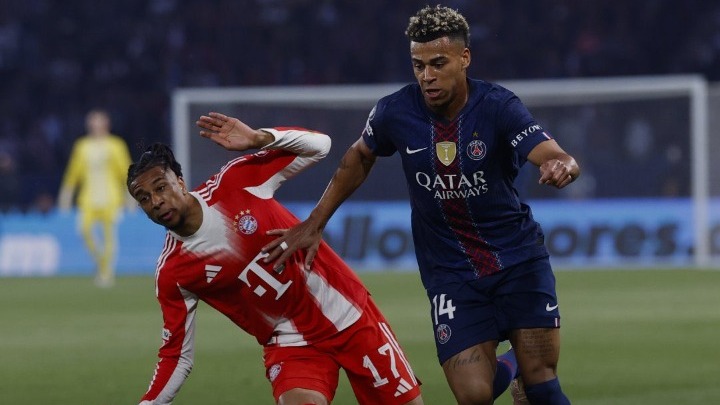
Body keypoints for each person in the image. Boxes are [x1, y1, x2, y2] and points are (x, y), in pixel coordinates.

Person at [262, 5, 579, 405]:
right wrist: (315, 222)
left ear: (464, 58)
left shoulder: (498, 106)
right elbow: (359, 156)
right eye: (418, 65)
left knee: (542, 383)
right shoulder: (395, 111)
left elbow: (551, 152)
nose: (427, 75)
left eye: (438, 63)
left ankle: (526, 374)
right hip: (449, 273)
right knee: (474, 396)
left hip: (517, 258)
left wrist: (561, 164)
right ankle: (513, 366)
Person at [128, 112, 423, 405]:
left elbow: (321, 146)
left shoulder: (234, 183)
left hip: (349, 314)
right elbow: (176, 356)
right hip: (291, 343)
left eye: (161, 187)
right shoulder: (173, 272)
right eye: (144, 199)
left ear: (180, 182)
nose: (156, 202)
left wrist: (260, 138)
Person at [58, 109, 134, 287]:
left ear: (106, 124)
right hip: (88, 198)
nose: (95, 125)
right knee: (83, 230)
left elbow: (125, 171)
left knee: (109, 236)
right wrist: (66, 194)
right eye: (92, 122)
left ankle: (106, 273)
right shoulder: (82, 146)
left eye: (98, 122)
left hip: (111, 197)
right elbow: (73, 173)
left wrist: (131, 196)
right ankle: (102, 263)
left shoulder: (116, 145)